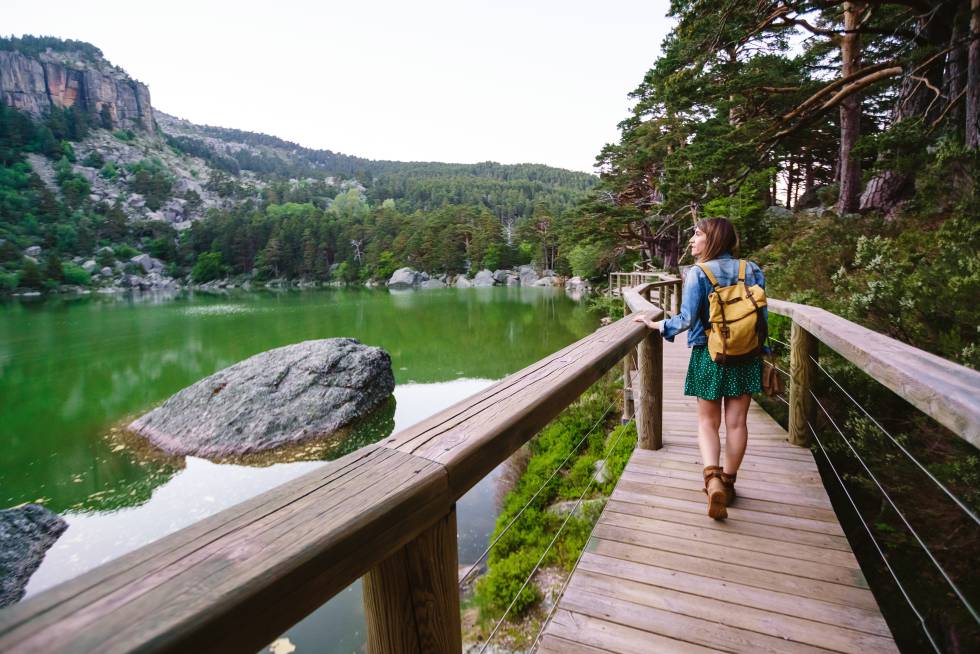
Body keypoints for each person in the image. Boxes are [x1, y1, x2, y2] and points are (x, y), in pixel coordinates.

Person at [633, 217, 766, 520]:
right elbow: (762, 320)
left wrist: (657, 324)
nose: (692, 240)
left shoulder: (698, 273)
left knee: (708, 422)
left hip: (710, 354)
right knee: (737, 423)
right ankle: (729, 483)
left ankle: (712, 479)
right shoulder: (753, 270)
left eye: (697, 234)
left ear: (713, 239)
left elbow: (688, 319)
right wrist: (765, 355)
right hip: (747, 356)